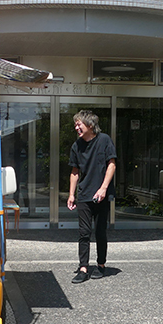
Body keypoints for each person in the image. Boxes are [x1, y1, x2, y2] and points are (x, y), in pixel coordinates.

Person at [67, 110, 116, 283]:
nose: (76, 127)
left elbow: (112, 165)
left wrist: (103, 188)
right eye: (75, 125)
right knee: (84, 233)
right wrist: (71, 194)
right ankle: (83, 268)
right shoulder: (77, 146)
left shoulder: (104, 140)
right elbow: (75, 171)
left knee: (100, 231)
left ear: (89, 124)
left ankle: (101, 265)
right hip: (84, 194)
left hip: (102, 194)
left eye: (79, 124)